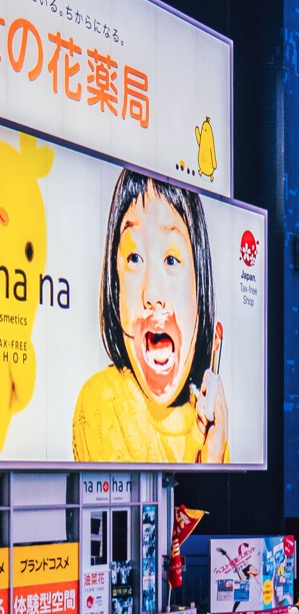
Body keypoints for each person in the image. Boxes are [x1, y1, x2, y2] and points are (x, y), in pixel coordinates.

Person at [71, 172, 230, 463]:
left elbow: (218, 509)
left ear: (200, 287)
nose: (152, 293)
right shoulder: (102, 402)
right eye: (134, 258)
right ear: (115, 285)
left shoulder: (209, 423)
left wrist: (213, 456)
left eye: (171, 260)